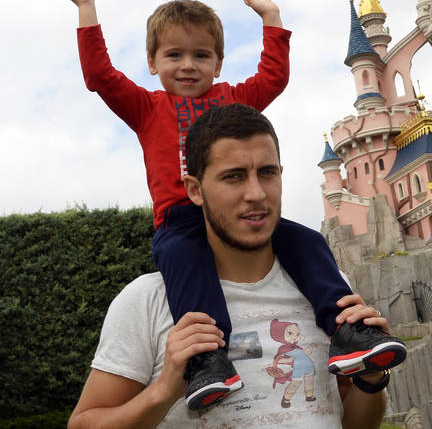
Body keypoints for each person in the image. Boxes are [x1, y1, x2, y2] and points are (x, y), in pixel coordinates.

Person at [56, 0, 405, 411]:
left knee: (308, 240)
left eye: (201, 56)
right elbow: (100, 76)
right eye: (174, 55)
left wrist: (272, 21)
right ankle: (208, 359)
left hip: (242, 216)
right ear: (152, 63)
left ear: (218, 63)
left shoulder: (232, 102)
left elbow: (273, 78)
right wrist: (87, 9)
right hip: (181, 220)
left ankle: (347, 328)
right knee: (185, 261)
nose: (187, 66)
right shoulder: (146, 106)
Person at [68, 104, 392, 428]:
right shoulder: (147, 300)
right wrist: (165, 390)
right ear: (195, 190)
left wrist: (371, 377)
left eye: (267, 173)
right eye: (233, 177)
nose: (256, 193)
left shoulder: (328, 289)